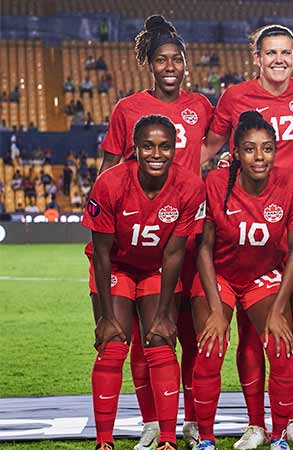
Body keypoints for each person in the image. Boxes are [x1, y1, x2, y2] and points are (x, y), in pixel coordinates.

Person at [93, 15, 214, 449]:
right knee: (150, 337)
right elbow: (109, 169)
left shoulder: (201, 106)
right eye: (162, 60)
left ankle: (196, 419)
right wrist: (102, 217)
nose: (169, 67)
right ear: (150, 64)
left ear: (185, 64)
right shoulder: (128, 108)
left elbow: (215, 148)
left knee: (188, 333)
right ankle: (152, 421)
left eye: (176, 60)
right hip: (137, 233)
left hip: (185, 233)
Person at [201, 24, 293, 447]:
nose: (279, 60)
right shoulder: (235, 97)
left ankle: (292, 419)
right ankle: (256, 423)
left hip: (288, 224)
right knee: (252, 334)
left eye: (286, 52)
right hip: (242, 220)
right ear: (257, 57)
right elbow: (210, 146)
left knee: (292, 330)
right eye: (270, 52)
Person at [191, 111, 293, 450]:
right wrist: (216, 308)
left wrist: (278, 309)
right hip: (221, 276)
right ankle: (206, 438)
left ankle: (277, 437)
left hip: (263, 276)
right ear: (237, 153)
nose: (259, 157)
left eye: (267, 149)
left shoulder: (290, 183)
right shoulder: (215, 183)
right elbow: (203, 249)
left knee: (280, 345)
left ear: (276, 150)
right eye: (250, 149)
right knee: (211, 347)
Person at [83, 115, 205, 450]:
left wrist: (166, 314)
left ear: (175, 148)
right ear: (135, 149)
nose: (156, 153)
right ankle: (104, 441)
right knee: (113, 343)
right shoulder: (109, 184)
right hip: (117, 268)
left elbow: (175, 254)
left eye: (164, 146)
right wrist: (106, 315)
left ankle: (167, 439)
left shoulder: (190, 186)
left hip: (156, 270)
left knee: (160, 341)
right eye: (148, 146)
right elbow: (103, 254)